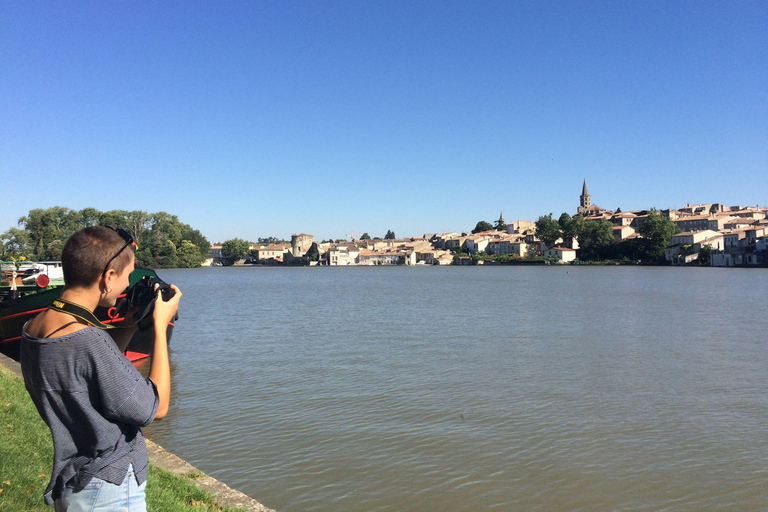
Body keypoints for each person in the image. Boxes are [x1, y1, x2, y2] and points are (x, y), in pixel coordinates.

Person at [20, 226, 182, 511]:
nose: (125, 287)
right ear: (108, 277)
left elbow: (92, 371)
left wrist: (128, 323)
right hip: (107, 490)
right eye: (126, 277)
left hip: (74, 480)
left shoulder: (35, 328)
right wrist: (159, 325)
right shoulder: (88, 340)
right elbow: (156, 408)